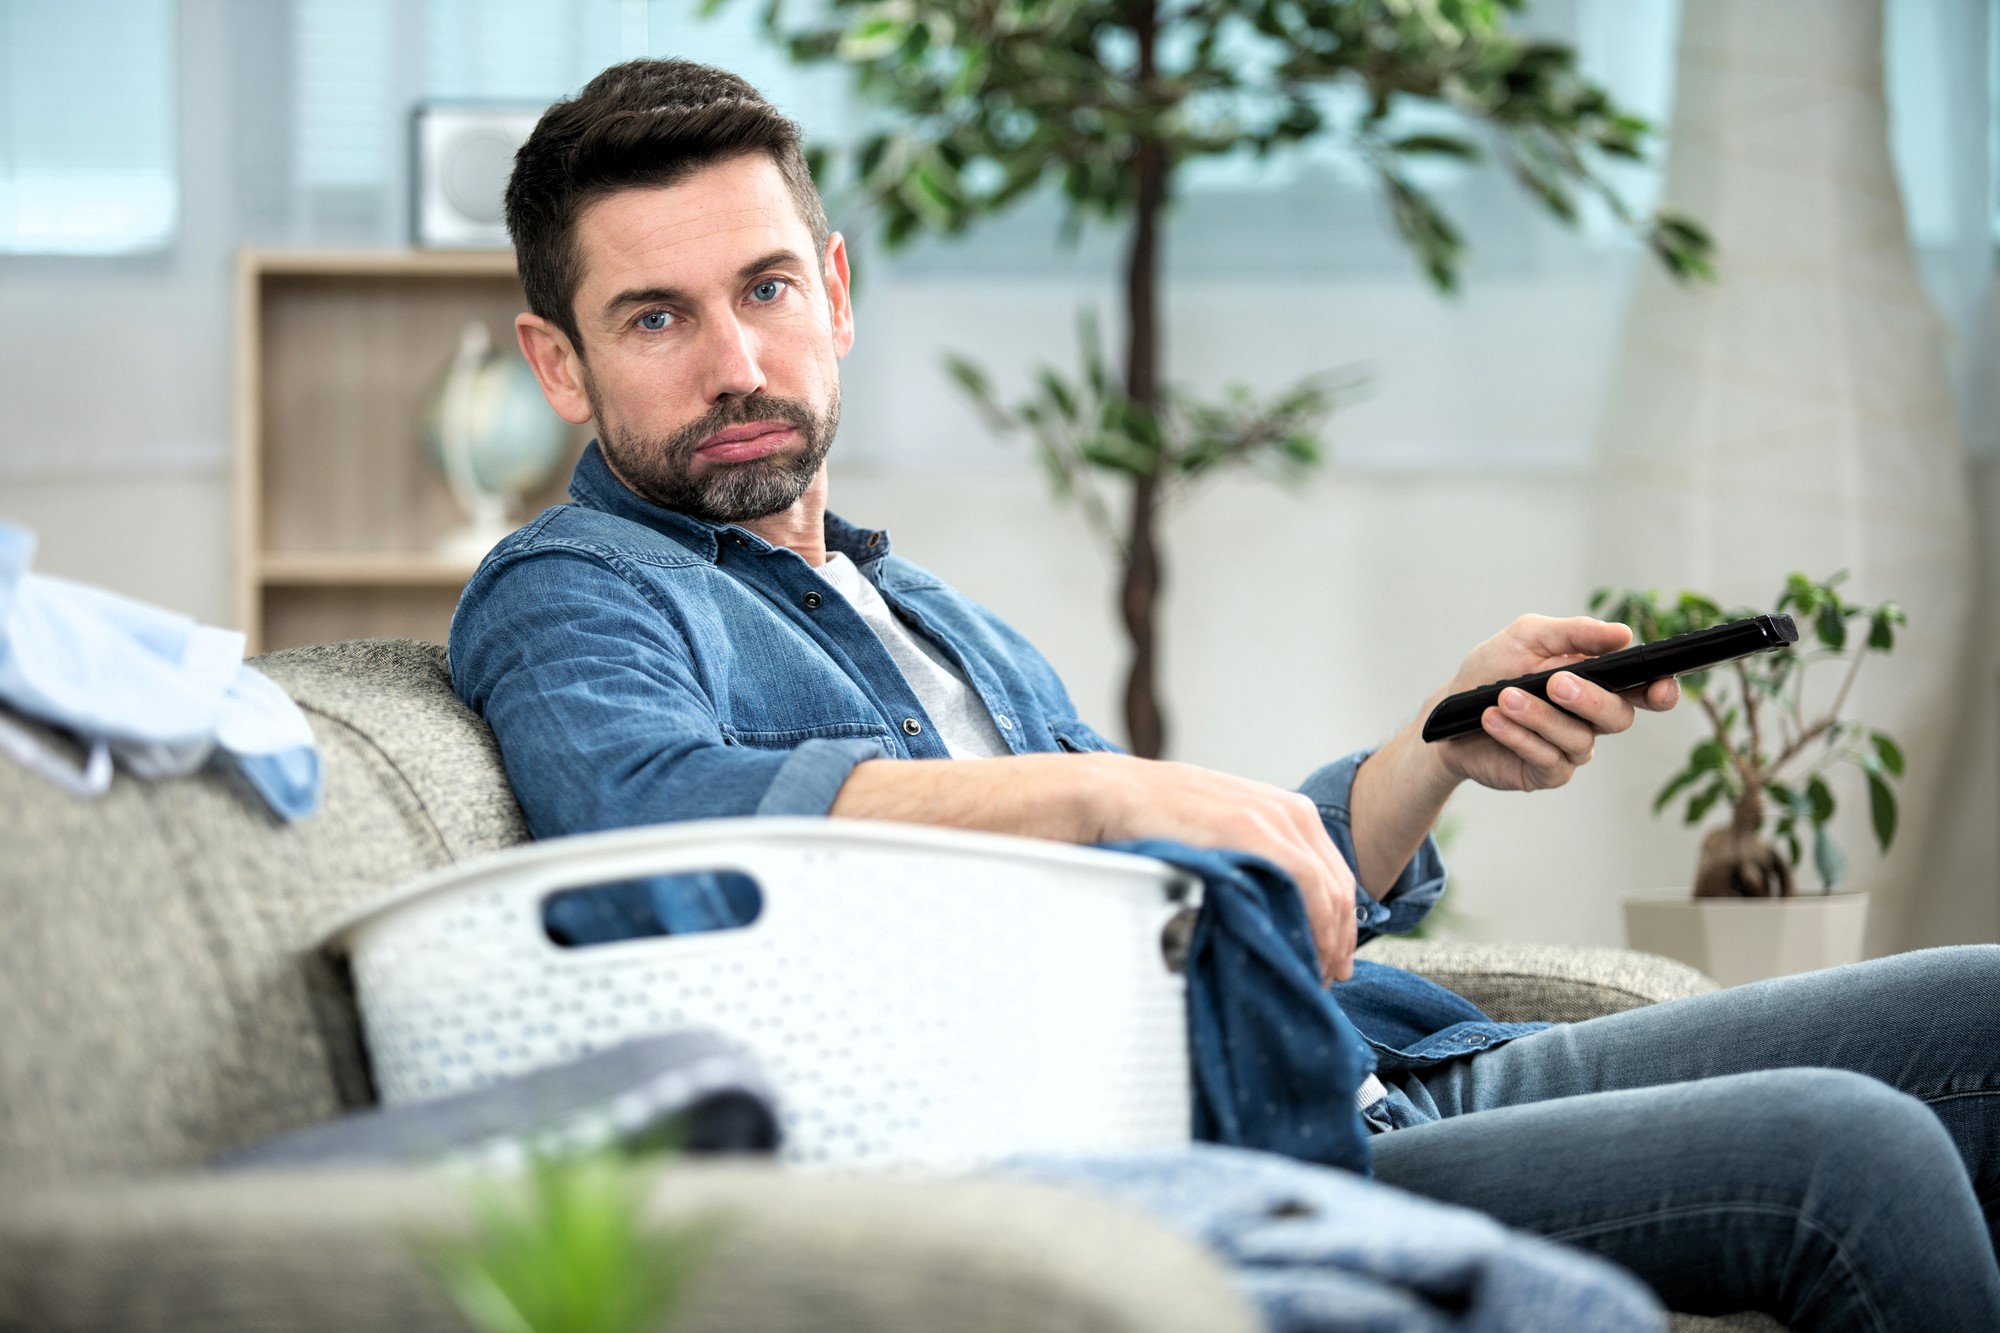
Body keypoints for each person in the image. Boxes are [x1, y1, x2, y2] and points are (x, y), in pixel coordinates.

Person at [451, 57, 2000, 1330]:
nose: (736, 359)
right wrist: (1121, 785)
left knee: (1984, 1002)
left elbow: (1207, 892)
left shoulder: (920, 606)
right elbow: (652, 811)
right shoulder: (579, 587)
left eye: (767, 289)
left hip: (1396, 1060)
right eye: (656, 317)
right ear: (559, 362)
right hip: (1248, 1145)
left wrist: (1433, 748)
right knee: (1850, 1157)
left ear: (836, 295)